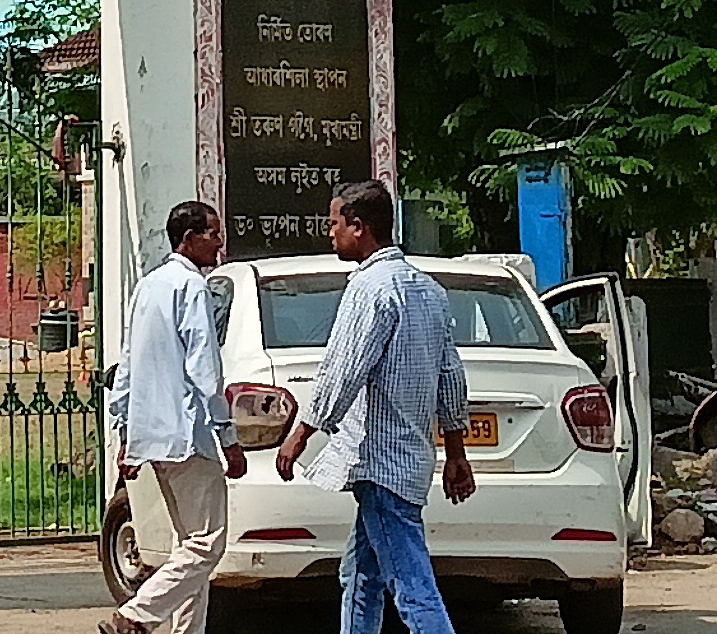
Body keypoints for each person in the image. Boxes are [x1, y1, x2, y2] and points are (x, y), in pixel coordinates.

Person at [275, 180, 471, 634]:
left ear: (358, 227)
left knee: (412, 587)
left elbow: (342, 371)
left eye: (334, 224)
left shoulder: (370, 289)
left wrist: (299, 437)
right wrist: (456, 454)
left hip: (381, 463)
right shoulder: (427, 290)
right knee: (360, 576)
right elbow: (451, 376)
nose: (331, 234)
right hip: (408, 462)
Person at [104, 200, 242, 634]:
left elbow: (128, 365)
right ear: (189, 238)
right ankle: (137, 614)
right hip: (187, 435)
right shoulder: (192, 289)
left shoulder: (148, 286)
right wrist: (229, 436)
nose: (219, 243)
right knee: (206, 546)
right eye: (213, 234)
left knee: (189, 547)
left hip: (155, 436)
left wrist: (127, 430)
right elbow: (205, 370)